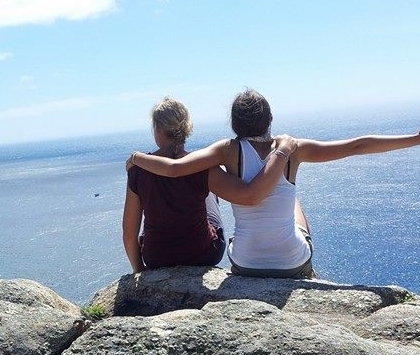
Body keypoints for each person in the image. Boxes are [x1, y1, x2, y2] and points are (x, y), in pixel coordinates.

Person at [127, 89, 420, 278]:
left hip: (245, 263)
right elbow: (357, 145)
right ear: (270, 120)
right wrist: (418, 138)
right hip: (291, 262)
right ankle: (309, 276)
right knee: (294, 200)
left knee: (252, 208)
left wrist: (137, 158)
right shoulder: (293, 148)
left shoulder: (226, 151)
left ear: (234, 124)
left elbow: (174, 168)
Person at [123, 96, 296, 273]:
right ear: (186, 129)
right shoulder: (202, 166)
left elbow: (129, 234)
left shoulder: (138, 170)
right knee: (209, 193)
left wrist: (139, 270)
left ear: (158, 130)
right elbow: (247, 195)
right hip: (202, 254)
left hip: (157, 258)